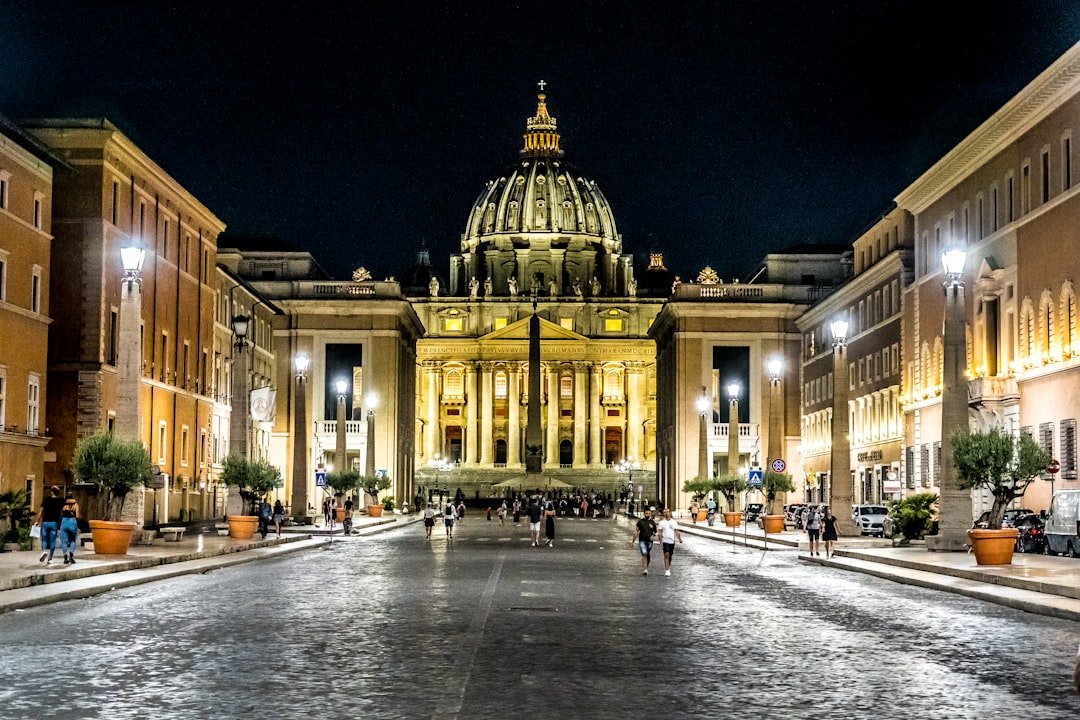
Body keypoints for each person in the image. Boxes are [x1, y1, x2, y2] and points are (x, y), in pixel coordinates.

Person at [35, 486, 65, 565]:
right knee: (52, 541)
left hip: (45, 522)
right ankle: (50, 558)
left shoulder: (46, 500)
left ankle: (44, 551)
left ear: (51, 492)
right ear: (58, 493)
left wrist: (37, 521)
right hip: (54, 523)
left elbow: (41, 511)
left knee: (44, 539)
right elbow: (65, 508)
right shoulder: (61, 501)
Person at [656, 508, 683, 576]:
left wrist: (679, 539)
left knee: (670, 555)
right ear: (663, 514)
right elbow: (660, 533)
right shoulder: (661, 522)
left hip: (672, 541)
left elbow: (676, 531)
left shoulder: (674, 522)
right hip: (665, 541)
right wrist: (661, 542)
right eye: (665, 512)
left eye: (667, 512)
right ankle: (667, 570)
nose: (666, 513)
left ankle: (668, 567)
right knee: (666, 554)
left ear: (670, 513)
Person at [631, 509, 658, 575]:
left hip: (650, 541)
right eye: (647, 513)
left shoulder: (652, 522)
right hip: (642, 540)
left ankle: (646, 566)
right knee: (644, 554)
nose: (648, 514)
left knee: (647, 554)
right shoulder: (640, 521)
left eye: (649, 513)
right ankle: (645, 569)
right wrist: (633, 541)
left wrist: (653, 535)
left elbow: (655, 532)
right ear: (644, 514)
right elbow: (636, 531)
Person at [59, 493, 80, 565]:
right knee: (73, 540)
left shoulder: (63, 505)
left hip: (64, 522)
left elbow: (61, 515)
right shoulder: (75, 504)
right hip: (72, 522)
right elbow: (77, 515)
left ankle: (65, 558)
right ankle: (71, 556)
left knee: (64, 542)